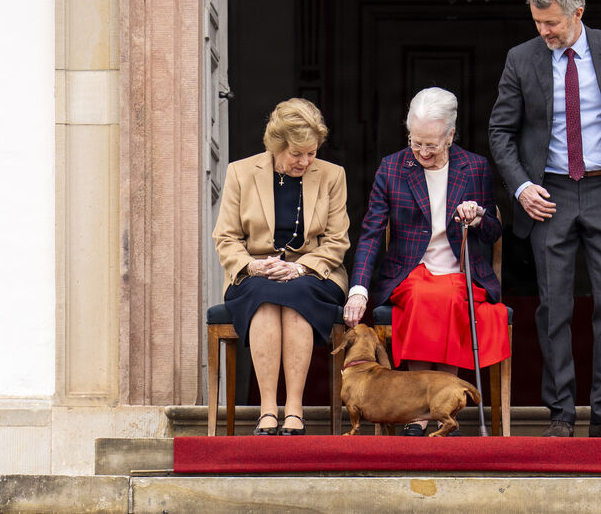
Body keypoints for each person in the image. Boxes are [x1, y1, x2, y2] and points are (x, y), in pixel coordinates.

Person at [488, 0, 601, 438]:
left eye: (552, 23)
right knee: (554, 306)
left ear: (578, 13)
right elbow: (500, 130)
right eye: (538, 22)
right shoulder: (521, 58)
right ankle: (560, 414)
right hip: (551, 195)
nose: (544, 32)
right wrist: (522, 187)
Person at [343, 87, 510, 437]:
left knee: (451, 296)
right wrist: (358, 288)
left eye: (431, 145)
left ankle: (443, 402)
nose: (421, 152)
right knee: (422, 295)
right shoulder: (393, 167)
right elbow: (372, 231)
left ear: (451, 134)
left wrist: (478, 216)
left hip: (459, 269)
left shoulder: (474, 167)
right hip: (411, 271)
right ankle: (416, 412)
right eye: (415, 142)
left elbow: (493, 232)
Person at [212, 98, 350, 436]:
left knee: (296, 293)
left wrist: (300, 268)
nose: (305, 161)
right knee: (264, 293)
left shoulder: (333, 176)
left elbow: (337, 242)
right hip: (255, 273)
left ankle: (294, 409)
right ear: (277, 146)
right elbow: (226, 238)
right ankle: (268, 409)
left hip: (315, 273)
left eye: (311, 153)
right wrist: (253, 267)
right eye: (296, 154)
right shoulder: (240, 173)